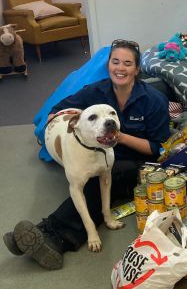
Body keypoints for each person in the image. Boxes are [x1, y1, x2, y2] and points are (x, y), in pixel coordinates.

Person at [3, 39, 171, 270]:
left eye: (127, 63)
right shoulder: (95, 91)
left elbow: (158, 149)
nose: (120, 68)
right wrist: (65, 124)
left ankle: (55, 237)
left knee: (97, 182)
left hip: (137, 160)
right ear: (108, 64)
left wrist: (118, 138)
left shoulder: (153, 100)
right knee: (89, 176)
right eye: (115, 62)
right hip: (96, 150)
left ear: (137, 69)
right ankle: (40, 234)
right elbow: (56, 111)